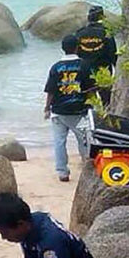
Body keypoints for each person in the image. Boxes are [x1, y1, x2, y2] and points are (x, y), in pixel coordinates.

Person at [44, 33, 93, 182]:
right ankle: (87, 168)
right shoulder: (84, 65)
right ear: (77, 47)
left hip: (59, 112)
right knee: (84, 140)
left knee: (59, 142)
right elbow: (91, 88)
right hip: (79, 110)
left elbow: (50, 91)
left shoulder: (56, 67)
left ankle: (62, 172)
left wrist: (47, 108)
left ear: (62, 49)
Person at [75, 4, 118, 105]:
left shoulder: (80, 33)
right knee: (106, 103)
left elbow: (76, 53)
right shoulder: (106, 33)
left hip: (85, 73)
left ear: (88, 17)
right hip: (103, 73)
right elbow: (113, 54)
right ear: (102, 17)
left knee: (88, 103)